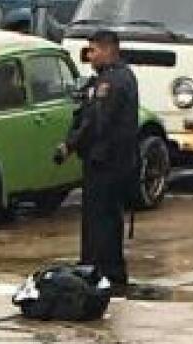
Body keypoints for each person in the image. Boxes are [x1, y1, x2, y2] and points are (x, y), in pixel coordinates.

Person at [55, 29, 138, 290]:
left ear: (106, 50)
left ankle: (98, 271)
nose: (89, 56)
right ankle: (105, 270)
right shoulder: (113, 77)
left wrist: (69, 145)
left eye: (93, 50)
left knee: (99, 220)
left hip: (107, 162)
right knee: (105, 218)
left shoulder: (111, 82)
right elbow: (85, 114)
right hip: (111, 161)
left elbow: (96, 122)